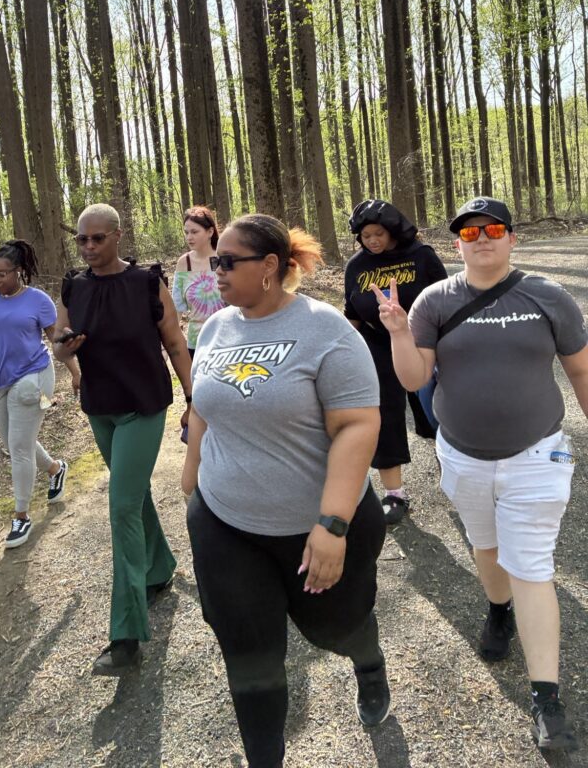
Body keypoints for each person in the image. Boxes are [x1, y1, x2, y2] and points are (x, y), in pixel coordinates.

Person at [374, 196, 588, 752]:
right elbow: (415, 375)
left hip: (537, 455)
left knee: (532, 565)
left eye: (493, 229)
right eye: (470, 233)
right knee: (486, 548)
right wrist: (398, 330)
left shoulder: (547, 296)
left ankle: (547, 700)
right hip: (463, 455)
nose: (482, 238)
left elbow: (582, 369)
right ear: (457, 244)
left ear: (512, 238)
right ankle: (498, 610)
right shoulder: (434, 301)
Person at [182, 214, 390, 768]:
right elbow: (202, 403)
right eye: (216, 261)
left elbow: (357, 426)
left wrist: (332, 525)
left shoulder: (325, 330)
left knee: (335, 628)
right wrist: (192, 467)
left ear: (270, 267)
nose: (216, 271)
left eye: (228, 262)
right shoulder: (218, 328)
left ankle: (368, 663)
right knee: (248, 653)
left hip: (315, 526)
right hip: (225, 523)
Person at [53, 204, 192, 674]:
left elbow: (174, 342)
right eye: (82, 241)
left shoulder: (146, 283)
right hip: (101, 407)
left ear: (117, 236)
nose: (89, 248)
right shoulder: (73, 287)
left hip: (144, 406)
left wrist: (195, 399)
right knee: (132, 495)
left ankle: (126, 633)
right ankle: (159, 567)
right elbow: (59, 340)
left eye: (97, 238)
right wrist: (66, 352)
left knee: (121, 507)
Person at [0, 239, 77, 549]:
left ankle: (21, 516)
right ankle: (55, 468)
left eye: (2, 274)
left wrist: (76, 370)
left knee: (19, 449)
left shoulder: (37, 300)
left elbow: (56, 341)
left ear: (19, 272)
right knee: (14, 445)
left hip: (33, 376)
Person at [344, 199, 447, 523]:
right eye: (366, 236)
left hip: (423, 342)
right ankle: (394, 495)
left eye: (378, 234)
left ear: (393, 231)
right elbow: (352, 317)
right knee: (384, 415)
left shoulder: (422, 257)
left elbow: (447, 301)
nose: (372, 241)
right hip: (376, 344)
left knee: (436, 410)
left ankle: (454, 472)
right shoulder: (357, 267)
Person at [172, 205, 225, 360]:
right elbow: (176, 307)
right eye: (186, 232)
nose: (189, 237)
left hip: (227, 340)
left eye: (194, 232)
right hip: (197, 344)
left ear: (210, 232)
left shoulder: (224, 258)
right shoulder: (184, 263)